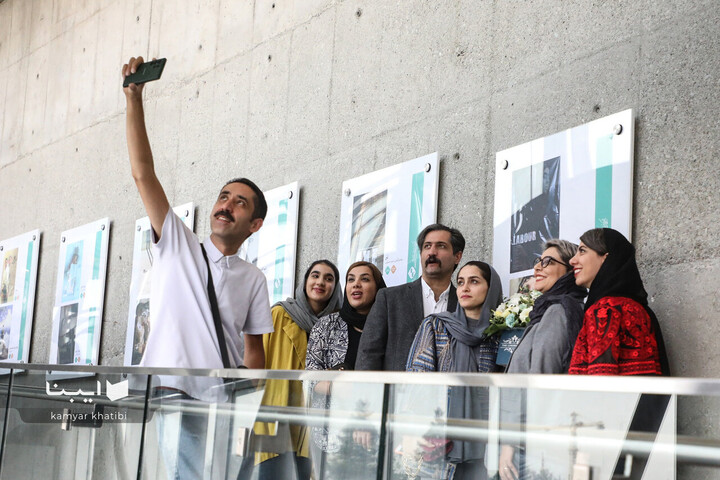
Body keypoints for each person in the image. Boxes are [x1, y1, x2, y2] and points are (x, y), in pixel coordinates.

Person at [123, 56, 274, 479]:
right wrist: (134, 98)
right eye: (223, 196)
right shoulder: (176, 243)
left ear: (255, 224)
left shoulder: (254, 278)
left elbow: (256, 351)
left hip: (223, 399)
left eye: (239, 202)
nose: (226, 204)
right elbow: (142, 173)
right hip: (171, 389)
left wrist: (249, 401)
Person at [405, 261, 503, 480]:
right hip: (438, 443)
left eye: (474, 281)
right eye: (460, 282)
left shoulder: (500, 335)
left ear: (491, 288)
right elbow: (417, 381)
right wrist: (413, 431)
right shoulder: (436, 325)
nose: (465, 288)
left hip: (487, 445)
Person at [498, 240, 586, 480]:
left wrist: (509, 445)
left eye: (548, 262)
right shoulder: (550, 307)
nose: (538, 267)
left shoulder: (558, 310)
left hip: (534, 446)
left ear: (569, 270)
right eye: (538, 261)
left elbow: (540, 380)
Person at [251, 260, 343, 480]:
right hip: (277, 415)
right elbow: (258, 364)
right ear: (305, 282)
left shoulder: (337, 325)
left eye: (329, 278)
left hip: (315, 422)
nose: (320, 282)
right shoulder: (278, 314)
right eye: (315, 275)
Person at [305, 261, 387, 479]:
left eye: (365, 279)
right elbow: (309, 380)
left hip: (378, 433)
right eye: (351, 279)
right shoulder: (326, 325)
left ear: (379, 288)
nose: (356, 285)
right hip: (332, 435)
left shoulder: (389, 326)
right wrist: (342, 387)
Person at [357, 224, 464, 371]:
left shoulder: (464, 303)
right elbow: (368, 354)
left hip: (449, 392)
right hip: (398, 392)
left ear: (457, 256)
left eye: (441, 246)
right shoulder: (390, 298)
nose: (432, 252)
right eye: (427, 246)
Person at [568, 228, 669, 376]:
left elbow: (600, 382)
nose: (572, 260)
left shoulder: (605, 309)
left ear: (605, 258)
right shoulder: (635, 307)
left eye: (582, 251)